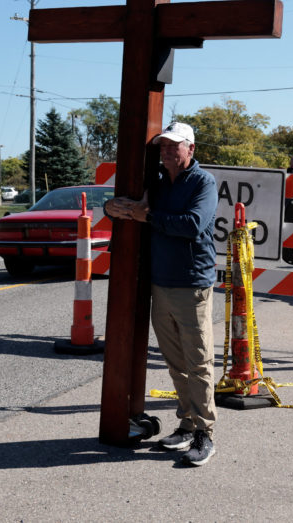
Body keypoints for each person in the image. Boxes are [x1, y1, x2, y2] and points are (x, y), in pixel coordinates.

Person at [103, 121, 218, 467]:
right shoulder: (156, 183)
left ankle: (205, 434)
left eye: (175, 146)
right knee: (176, 363)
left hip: (192, 284)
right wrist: (114, 208)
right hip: (160, 284)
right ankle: (186, 424)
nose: (167, 151)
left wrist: (148, 215)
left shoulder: (204, 182)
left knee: (198, 362)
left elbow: (192, 224)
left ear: (191, 149)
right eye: (163, 147)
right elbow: (132, 208)